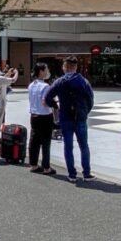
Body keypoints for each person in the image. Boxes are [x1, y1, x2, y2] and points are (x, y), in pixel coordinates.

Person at [45, 55, 94, 183]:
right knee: (84, 146)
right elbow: (90, 100)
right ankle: (87, 173)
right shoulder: (83, 81)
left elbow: (48, 97)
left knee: (68, 146)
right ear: (76, 67)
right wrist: (84, 111)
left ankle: (72, 174)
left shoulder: (59, 82)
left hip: (66, 117)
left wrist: (56, 106)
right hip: (80, 118)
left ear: (65, 67)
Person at [27, 62, 56, 175]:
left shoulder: (31, 85)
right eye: (46, 69)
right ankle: (46, 167)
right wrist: (55, 105)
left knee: (34, 140)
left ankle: (33, 164)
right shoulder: (45, 86)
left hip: (34, 115)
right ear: (41, 72)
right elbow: (45, 102)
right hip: (45, 116)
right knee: (46, 142)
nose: (48, 72)